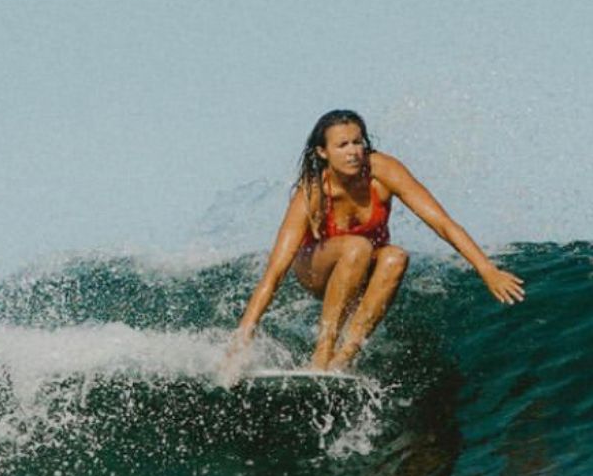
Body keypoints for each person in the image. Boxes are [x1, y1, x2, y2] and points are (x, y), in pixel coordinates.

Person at [221, 109, 524, 378]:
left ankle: (345, 357)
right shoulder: (313, 192)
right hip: (316, 270)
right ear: (323, 152)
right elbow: (275, 272)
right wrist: (243, 335)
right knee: (357, 246)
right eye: (342, 145)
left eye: (358, 142)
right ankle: (322, 353)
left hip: (361, 268)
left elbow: (442, 223)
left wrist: (486, 269)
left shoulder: (384, 172)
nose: (353, 151)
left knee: (395, 256)